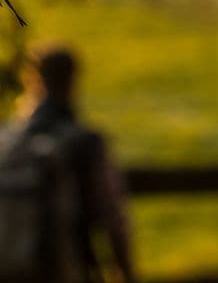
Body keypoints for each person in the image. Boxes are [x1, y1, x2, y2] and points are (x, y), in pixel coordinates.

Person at [17, 45, 137, 283]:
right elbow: (113, 219)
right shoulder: (84, 143)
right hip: (68, 269)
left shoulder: (8, 142)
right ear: (73, 81)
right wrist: (126, 272)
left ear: (31, 80)